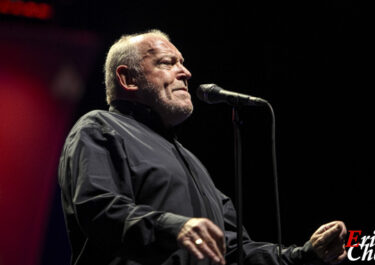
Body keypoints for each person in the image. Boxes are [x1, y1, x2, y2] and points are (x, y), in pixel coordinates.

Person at [58, 29, 347, 265]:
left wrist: (301, 255)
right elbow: (99, 209)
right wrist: (175, 228)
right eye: (167, 62)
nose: (185, 72)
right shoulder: (99, 128)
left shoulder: (190, 161)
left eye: (182, 62)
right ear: (127, 78)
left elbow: (233, 250)